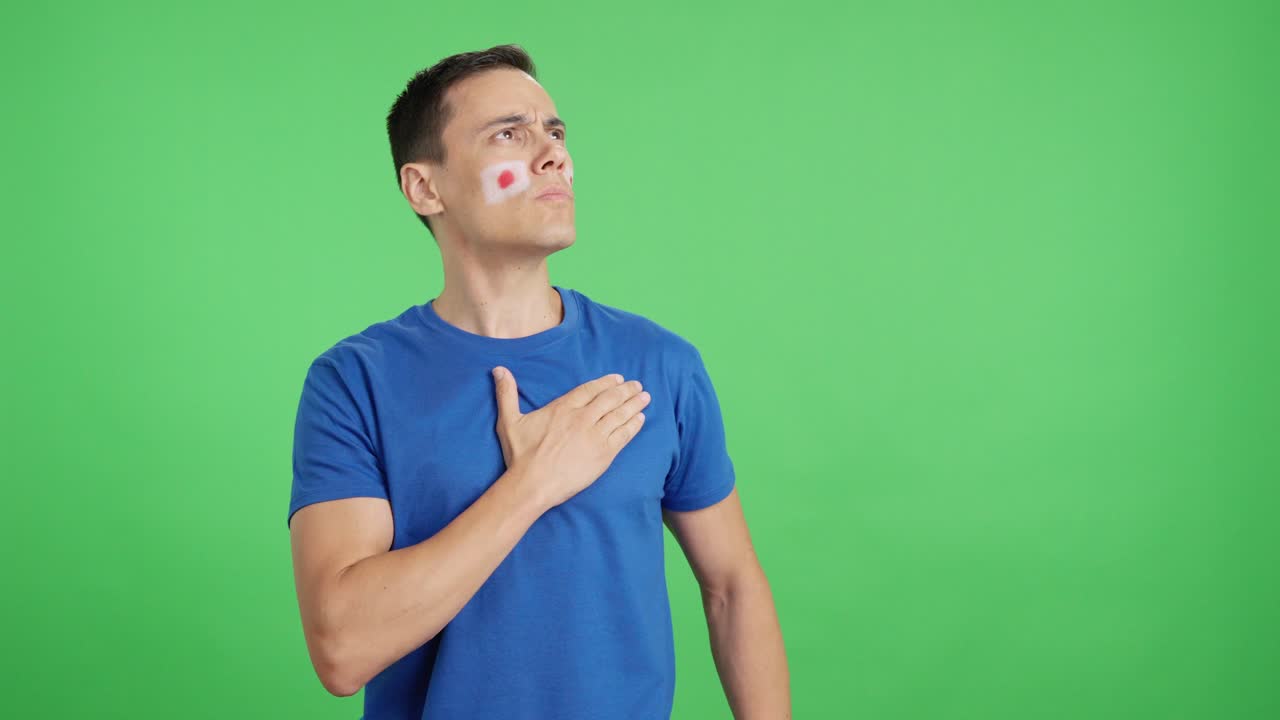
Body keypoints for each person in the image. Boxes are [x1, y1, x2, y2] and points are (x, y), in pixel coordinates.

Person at [287, 44, 790, 719]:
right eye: (509, 134)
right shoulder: (354, 382)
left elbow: (732, 587)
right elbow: (342, 650)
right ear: (425, 187)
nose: (553, 155)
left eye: (554, 132)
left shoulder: (659, 364)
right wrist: (532, 484)